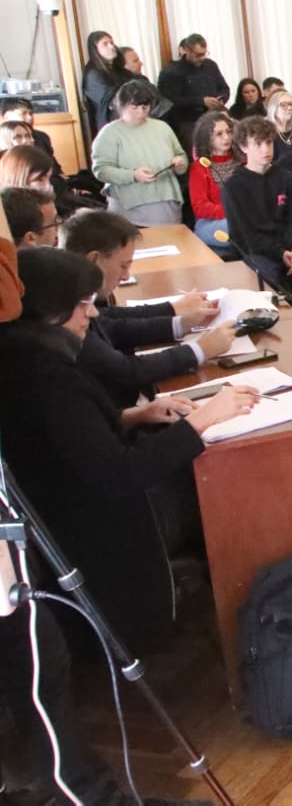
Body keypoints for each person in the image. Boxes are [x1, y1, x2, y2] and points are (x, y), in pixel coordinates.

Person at [0, 246, 258, 648]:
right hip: (99, 527)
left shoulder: (22, 353)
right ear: (50, 312)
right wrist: (203, 418)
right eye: (83, 305)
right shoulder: (48, 377)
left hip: (74, 504)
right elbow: (120, 473)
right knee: (220, 482)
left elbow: (66, 440)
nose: (94, 314)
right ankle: (246, 612)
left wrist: (133, 416)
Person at [59, 209, 235, 407]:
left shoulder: (75, 298)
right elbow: (125, 371)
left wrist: (181, 322)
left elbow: (113, 325)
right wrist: (200, 349)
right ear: (93, 260)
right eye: (123, 266)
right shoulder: (65, 314)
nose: (126, 276)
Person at [222, 116, 292, 289]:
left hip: (289, 246)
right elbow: (242, 235)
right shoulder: (233, 186)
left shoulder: (286, 178)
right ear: (243, 147)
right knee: (268, 273)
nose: (266, 149)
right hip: (258, 250)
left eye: (269, 143)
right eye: (258, 144)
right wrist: (281, 253)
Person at [90, 79, 187, 226]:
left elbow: (181, 155)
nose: (141, 112)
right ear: (121, 106)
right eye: (134, 107)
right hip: (130, 208)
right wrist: (133, 175)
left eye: (145, 107)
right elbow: (101, 170)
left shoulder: (162, 127)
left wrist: (180, 163)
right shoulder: (109, 133)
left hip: (166, 202)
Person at [155, 33, 229, 148]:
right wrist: (201, 101)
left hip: (214, 116)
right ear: (186, 50)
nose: (202, 58)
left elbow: (224, 88)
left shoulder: (210, 65)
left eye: (204, 54)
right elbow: (170, 100)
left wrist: (221, 99)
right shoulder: (172, 71)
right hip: (188, 121)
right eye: (198, 55)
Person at [188, 110, 237, 256]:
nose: (226, 137)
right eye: (219, 134)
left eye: (229, 132)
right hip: (210, 223)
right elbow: (201, 208)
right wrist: (234, 212)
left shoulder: (243, 160)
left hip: (243, 218)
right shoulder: (200, 166)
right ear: (207, 137)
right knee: (237, 227)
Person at [80, 29, 132, 129]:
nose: (111, 47)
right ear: (95, 49)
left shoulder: (117, 69)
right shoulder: (93, 74)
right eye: (105, 44)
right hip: (110, 123)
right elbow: (112, 100)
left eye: (112, 43)